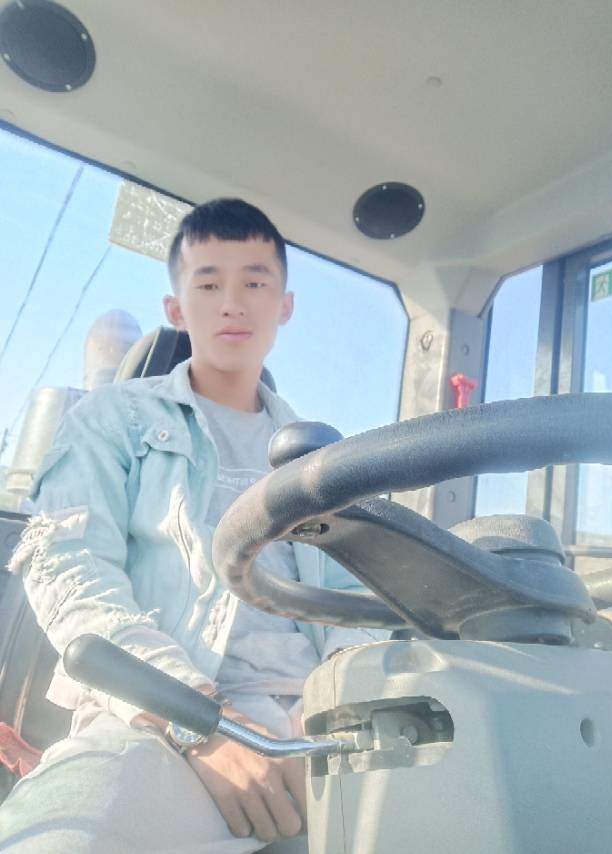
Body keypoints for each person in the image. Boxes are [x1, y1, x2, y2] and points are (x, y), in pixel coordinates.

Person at [0, 198, 386, 853]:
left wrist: (329, 706)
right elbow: (69, 567)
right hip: (162, 715)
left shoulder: (321, 458)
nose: (232, 304)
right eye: (208, 285)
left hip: (321, 726)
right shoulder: (111, 420)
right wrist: (200, 720)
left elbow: (359, 597)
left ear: (284, 306)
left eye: (255, 283)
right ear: (176, 308)